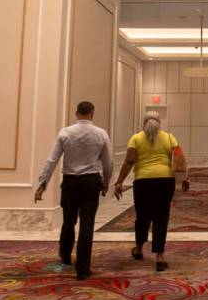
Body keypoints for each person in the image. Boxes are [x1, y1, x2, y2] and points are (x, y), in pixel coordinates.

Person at [34, 101, 112, 280]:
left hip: (70, 183)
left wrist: (42, 184)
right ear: (92, 114)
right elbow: (108, 162)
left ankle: (66, 255)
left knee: (68, 221)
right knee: (87, 225)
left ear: (76, 113)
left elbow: (52, 160)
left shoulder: (65, 132)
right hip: (91, 182)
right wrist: (106, 182)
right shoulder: (101, 134)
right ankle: (83, 269)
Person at [114, 111, 189, 271]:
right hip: (165, 182)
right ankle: (160, 257)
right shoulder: (170, 137)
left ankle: (139, 249)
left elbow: (129, 161)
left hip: (143, 182)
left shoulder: (136, 139)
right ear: (159, 123)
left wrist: (119, 181)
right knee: (161, 218)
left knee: (142, 217)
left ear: (144, 123)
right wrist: (184, 179)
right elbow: (180, 160)